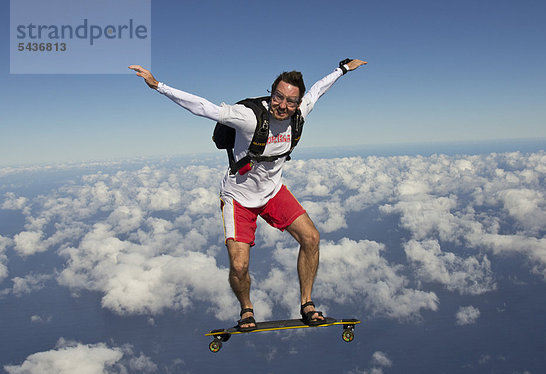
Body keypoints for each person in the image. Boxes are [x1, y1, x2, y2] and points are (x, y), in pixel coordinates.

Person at [129, 59, 367, 330]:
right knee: (240, 266)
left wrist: (343, 69)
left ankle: (307, 303)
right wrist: (158, 85)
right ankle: (246, 309)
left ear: (298, 103)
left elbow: (318, 89)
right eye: (278, 97)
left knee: (311, 238)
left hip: (273, 192)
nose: (282, 105)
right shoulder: (248, 117)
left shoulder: (301, 112)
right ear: (272, 93)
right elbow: (203, 107)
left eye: (291, 101)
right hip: (238, 197)